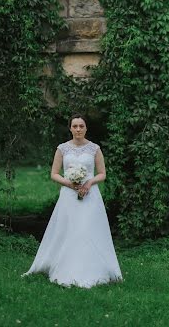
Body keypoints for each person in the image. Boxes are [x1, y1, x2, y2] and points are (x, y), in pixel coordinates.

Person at [22, 114, 122, 288]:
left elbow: (102, 173)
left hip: (90, 195)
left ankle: (92, 269)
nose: (78, 129)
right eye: (75, 126)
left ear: (86, 128)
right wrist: (70, 184)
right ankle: (65, 267)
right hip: (69, 196)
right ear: (70, 128)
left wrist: (89, 182)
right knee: (69, 230)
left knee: (87, 230)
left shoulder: (94, 149)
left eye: (81, 126)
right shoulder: (62, 149)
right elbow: (54, 174)